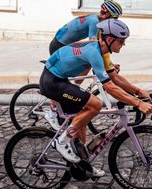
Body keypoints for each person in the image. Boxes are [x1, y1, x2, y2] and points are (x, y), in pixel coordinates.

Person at [40, 19, 152, 177]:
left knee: (82, 119)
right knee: (95, 104)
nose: (123, 45)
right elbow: (109, 87)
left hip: (60, 80)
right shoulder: (94, 52)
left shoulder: (103, 51)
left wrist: (139, 91)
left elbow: (115, 78)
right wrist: (138, 103)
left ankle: (83, 164)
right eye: (121, 41)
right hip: (52, 82)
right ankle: (61, 142)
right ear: (109, 39)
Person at [45, 0, 123, 130]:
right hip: (59, 45)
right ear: (108, 14)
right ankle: (53, 109)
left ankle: (73, 87)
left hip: (61, 43)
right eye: (115, 17)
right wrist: (108, 64)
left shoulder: (96, 20)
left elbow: (97, 49)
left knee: (87, 62)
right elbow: (95, 46)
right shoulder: (95, 22)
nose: (115, 20)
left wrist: (109, 63)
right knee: (87, 62)